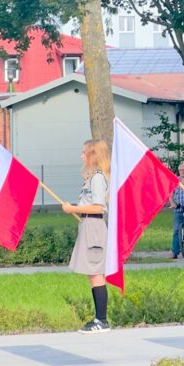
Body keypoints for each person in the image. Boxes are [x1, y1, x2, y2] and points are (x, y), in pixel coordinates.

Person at [62, 139, 111, 333]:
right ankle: (99, 318)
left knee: (96, 272)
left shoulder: (98, 178)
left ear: (94, 155)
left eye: (84, 152)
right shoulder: (93, 177)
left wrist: (72, 208)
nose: (81, 156)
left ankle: (101, 320)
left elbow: (99, 207)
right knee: (93, 274)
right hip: (89, 224)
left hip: (94, 225)